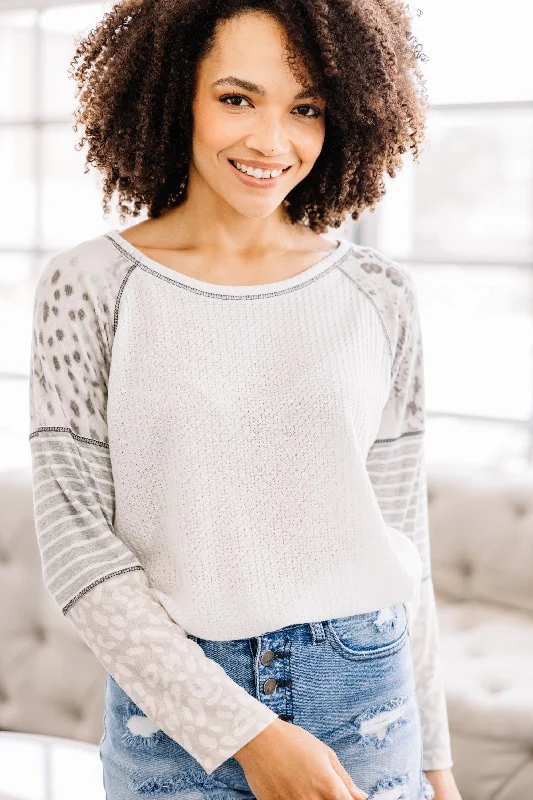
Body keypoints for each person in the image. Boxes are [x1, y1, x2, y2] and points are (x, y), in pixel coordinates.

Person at [28, 1, 462, 798]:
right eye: (237, 98)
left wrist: (435, 766)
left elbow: (404, 540)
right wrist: (247, 734)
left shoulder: (378, 293)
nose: (272, 141)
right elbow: (79, 549)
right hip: (174, 720)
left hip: (368, 696)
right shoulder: (90, 286)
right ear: (171, 96)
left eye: (306, 109)